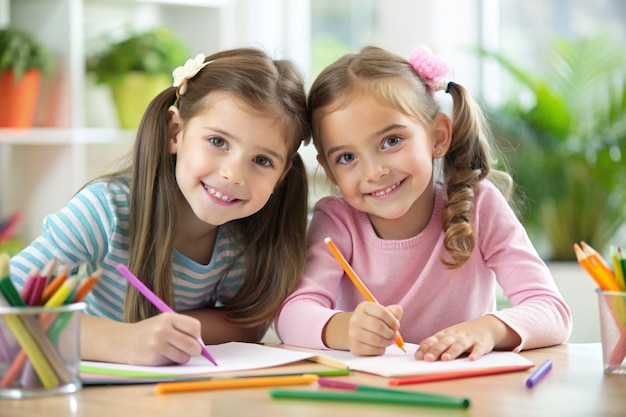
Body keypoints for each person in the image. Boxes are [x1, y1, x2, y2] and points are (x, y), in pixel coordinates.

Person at [10, 48, 310, 365]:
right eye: (218, 142)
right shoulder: (106, 209)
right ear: (175, 131)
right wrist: (121, 340)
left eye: (262, 160)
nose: (232, 174)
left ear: (282, 175)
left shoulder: (245, 238)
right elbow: (8, 302)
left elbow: (249, 324)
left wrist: (165, 335)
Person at [275, 45, 572, 362]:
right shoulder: (336, 221)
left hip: (471, 393)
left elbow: (551, 310)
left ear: (438, 136)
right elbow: (290, 317)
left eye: (391, 141)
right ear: (331, 170)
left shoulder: (480, 205)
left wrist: (488, 329)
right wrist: (346, 328)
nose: (374, 171)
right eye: (347, 157)